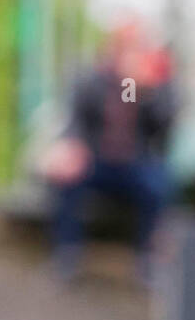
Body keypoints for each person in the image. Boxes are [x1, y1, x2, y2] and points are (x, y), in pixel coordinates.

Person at [43, 19, 174, 284]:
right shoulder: (92, 79)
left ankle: (147, 258)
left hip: (134, 161)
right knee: (66, 179)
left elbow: (164, 128)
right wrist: (73, 149)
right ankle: (67, 253)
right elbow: (76, 120)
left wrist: (146, 92)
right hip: (96, 159)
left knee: (159, 187)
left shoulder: (153, 83)